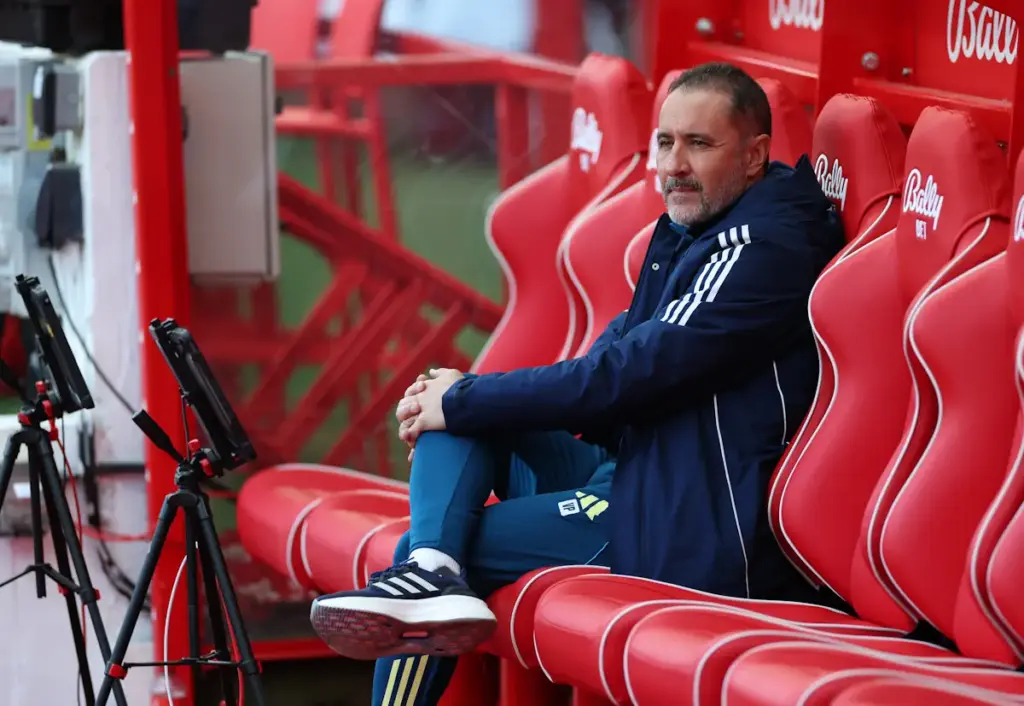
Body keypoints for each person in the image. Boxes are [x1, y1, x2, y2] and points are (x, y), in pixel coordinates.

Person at [309, 61, 845, 705]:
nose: (676, 163)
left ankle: (428, 570)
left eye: (700, 144)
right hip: (631, 462)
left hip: (671, 515)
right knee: (459, 416)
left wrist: (464, 399)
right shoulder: (692, 223)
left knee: (458, 503)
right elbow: (614, 355)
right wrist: (458, 398)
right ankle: (430, 571)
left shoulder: (762, 246)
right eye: (665, 141)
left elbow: (628, 375)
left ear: (756, 154)